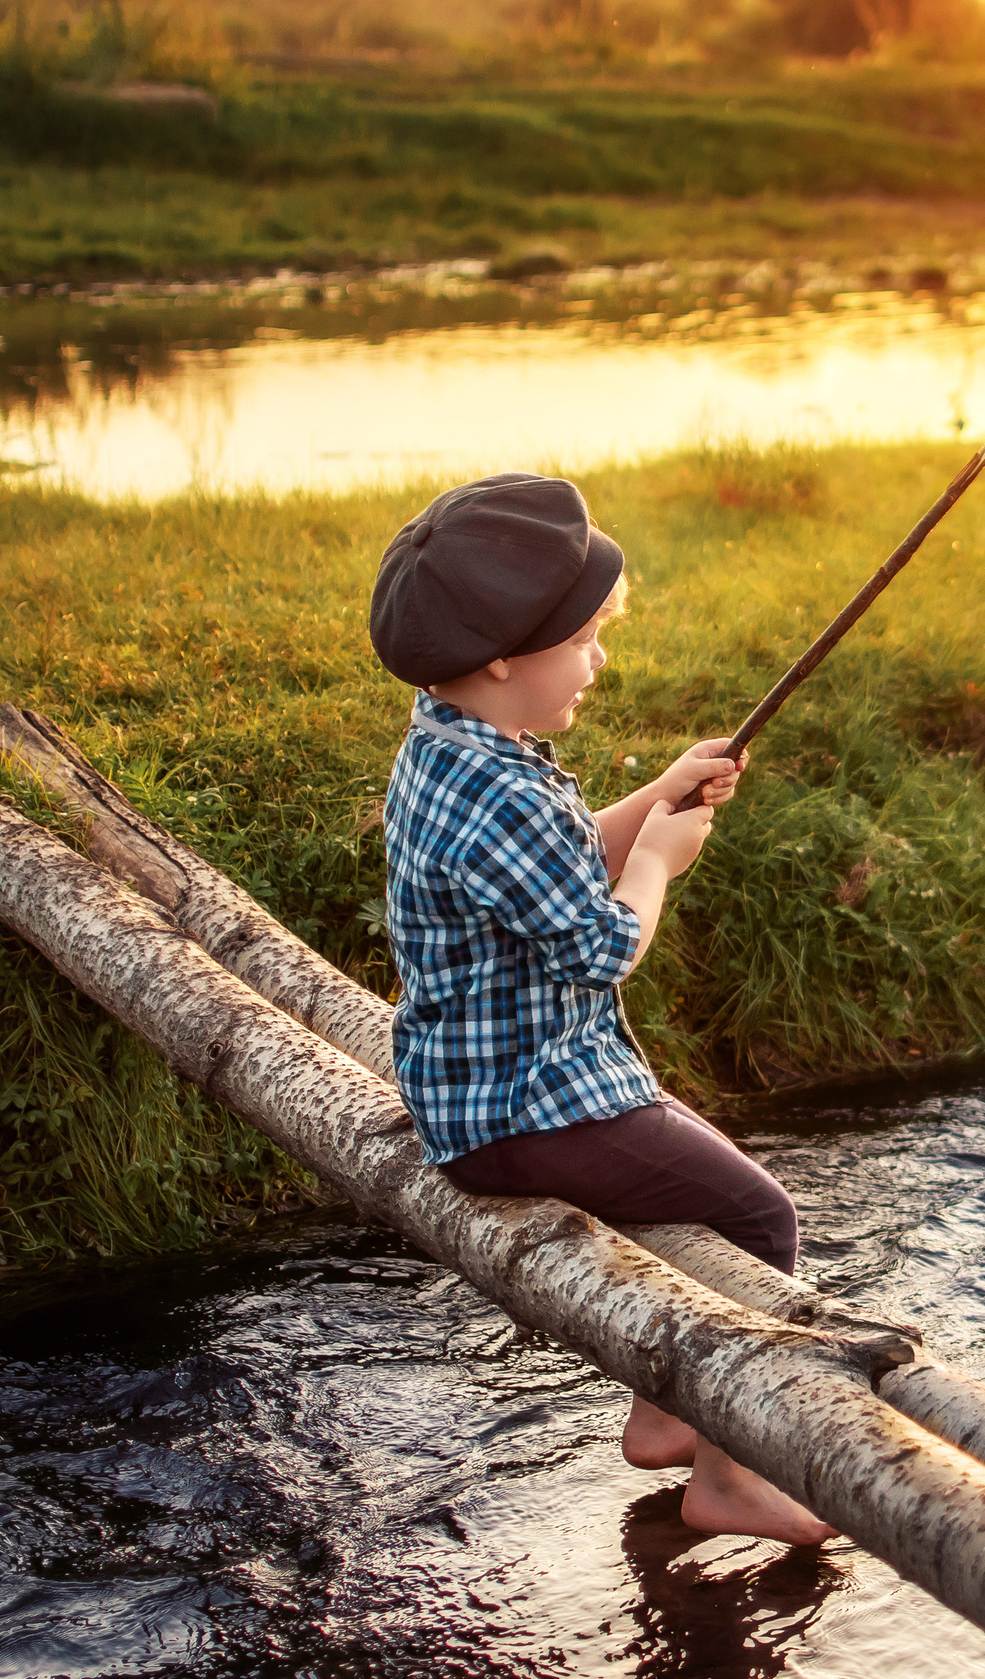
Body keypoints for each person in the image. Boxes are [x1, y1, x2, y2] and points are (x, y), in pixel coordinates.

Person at [368, 472, 835, 1546]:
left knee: (706, 1180)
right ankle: (728, 1471)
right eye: (584, 640)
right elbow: (597, 944)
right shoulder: (505, 794)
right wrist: (659, 860)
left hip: (474, 1090)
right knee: (761, 1217)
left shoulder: (451, 746)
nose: (599, 660)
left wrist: (657, 795)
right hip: (528, 1111)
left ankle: (664, 1411)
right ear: (503, 656)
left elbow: (558, 859)